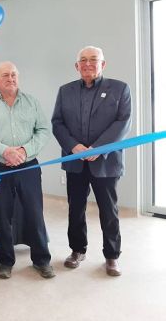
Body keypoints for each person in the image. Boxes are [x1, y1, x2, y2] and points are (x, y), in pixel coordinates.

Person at [52, 45, 131, 276]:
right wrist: (74, 147)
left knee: (109, 210)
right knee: (75, 209)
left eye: (93, 59)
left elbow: (123, 122)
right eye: (83, 60)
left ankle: (112, 256)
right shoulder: (64, 91)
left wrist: (98, 148)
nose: (88, 64)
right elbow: (57, 123)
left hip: (105, 162)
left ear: (103, 64)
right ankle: (77, 250)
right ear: (76, 66)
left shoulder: (119, 88)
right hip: (75, 161)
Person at [0, 61, 55, 279]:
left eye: (13, 75)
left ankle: (41, 260)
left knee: (34, 213)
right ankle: (6, 262)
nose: (10, 79)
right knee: (2, 216)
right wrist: (5, 151)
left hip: (28, 165)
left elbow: (44, 131)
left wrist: (23, 151)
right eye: (5, 75)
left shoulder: (32, 103)